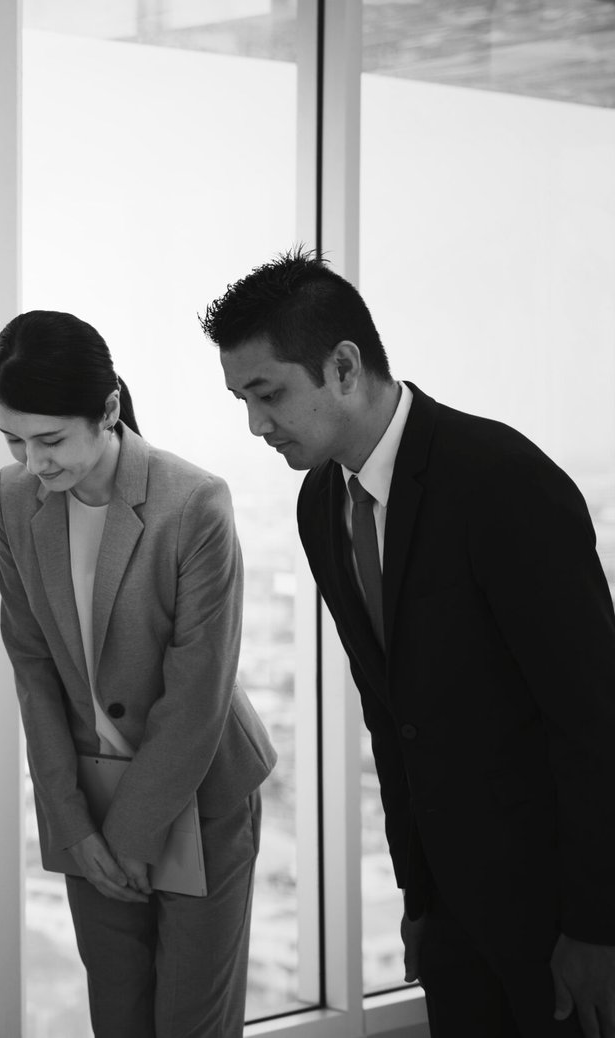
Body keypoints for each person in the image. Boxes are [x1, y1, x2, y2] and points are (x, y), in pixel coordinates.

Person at [205, 247, 615, 1037]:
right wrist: (419, 898)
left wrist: (599, 925)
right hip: (452, 912)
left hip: (559, 908)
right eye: (242, 400)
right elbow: (391, 717)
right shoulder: (320, 506)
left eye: (268, 393)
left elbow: (594, 717)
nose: (256, 425)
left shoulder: (501, 481)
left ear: (343, 367)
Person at [0, 310, 276, 1037]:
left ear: (109, 408)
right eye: (14, 440)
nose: (33, 463)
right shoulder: (12, 499)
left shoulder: (193, 502)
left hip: (201, 790)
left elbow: (198, 693)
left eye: (51, 440)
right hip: (88, 798)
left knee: (190, 1023)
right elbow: (32, 669)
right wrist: (72, 824)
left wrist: (131, 835)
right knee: (118, 1018)